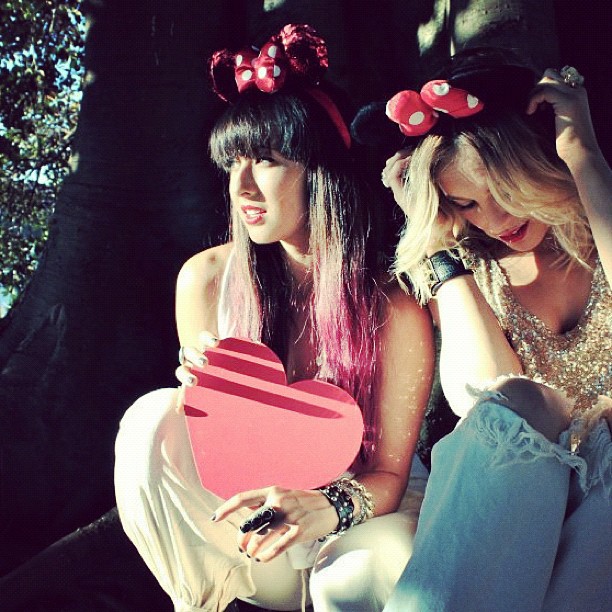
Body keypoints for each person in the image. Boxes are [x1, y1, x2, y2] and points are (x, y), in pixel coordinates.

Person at [114, 24, 434, 612]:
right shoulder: (206, 281)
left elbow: (389, 476)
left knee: (362, 572)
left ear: (320, 170)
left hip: (362, 518)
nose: (241, 185)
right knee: (150, 419)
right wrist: (206, 400)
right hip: (258, 533)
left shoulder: (393, 306)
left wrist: (323, 508)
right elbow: (212, 449)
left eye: (265, 160)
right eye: (233, 161)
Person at [363, 48, 611, 611]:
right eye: (467, 203)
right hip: (520, 503)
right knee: (517, 400)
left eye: (503, 190)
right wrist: (438, 252)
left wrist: (583, 152)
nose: (495, 221)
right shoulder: (474, 267)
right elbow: (481, 399)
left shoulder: (603, 220)